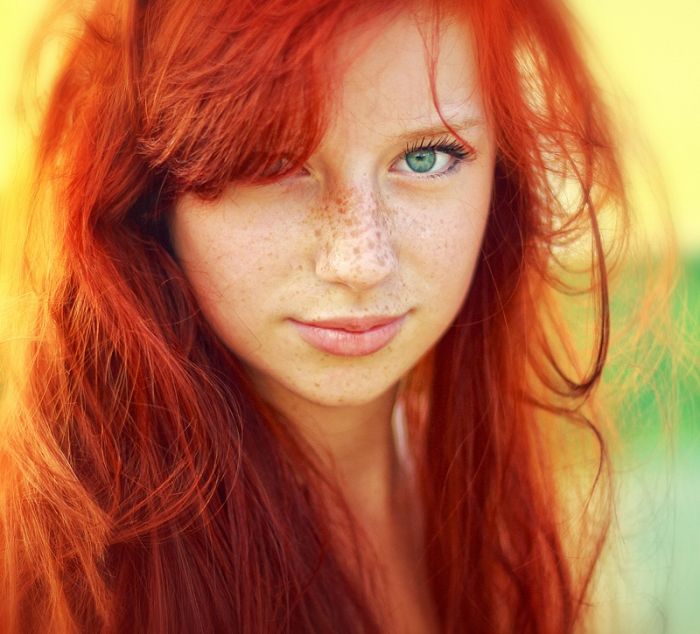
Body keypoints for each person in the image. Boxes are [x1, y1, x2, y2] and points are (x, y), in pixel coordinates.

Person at [0, 0, 637, 632]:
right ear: (146, 189)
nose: (360, 261)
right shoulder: (66, 581)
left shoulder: (504, 512)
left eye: (426, 157)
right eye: (273, 163)